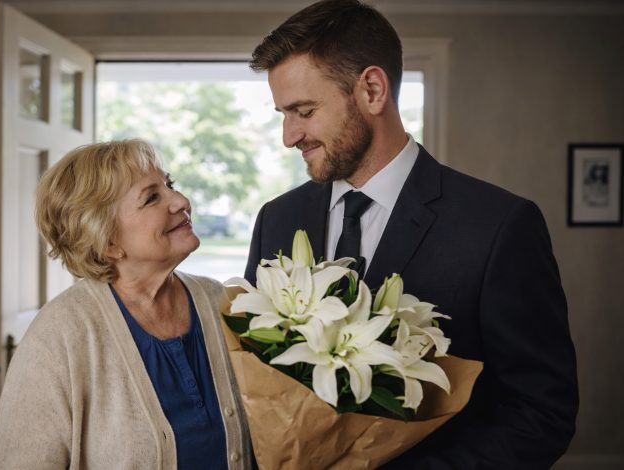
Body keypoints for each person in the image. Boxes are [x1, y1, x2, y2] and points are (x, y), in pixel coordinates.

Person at [244, 0, 578, 468]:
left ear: (372, 90)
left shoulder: (500, 225)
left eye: (304, 111)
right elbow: (255, 377)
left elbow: (541, 413)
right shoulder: (276, 219)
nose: (288, 135)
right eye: (283, 113)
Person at [0, 139, 252, 469]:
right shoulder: (58, 336)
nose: (181, 201)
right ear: (107, 241)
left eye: (170, 185)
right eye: (151, 198)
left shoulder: (221, 302)